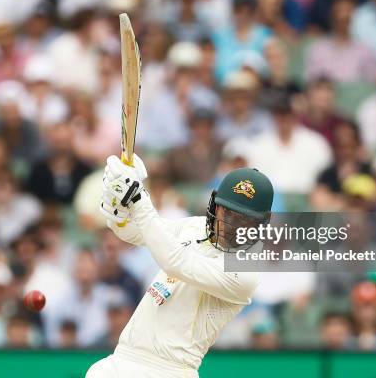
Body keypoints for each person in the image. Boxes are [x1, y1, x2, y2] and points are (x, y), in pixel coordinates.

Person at [88, 155, 273, 377]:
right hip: (122, 359)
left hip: (170, 370)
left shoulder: (245, 272)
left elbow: (174, 261)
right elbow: (136, 232)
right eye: (228, 212)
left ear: (261, 222)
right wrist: (119, 207)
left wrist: (138, 196)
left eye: (243, 219)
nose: (230, 226)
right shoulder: (194, 227)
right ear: (215, 205)